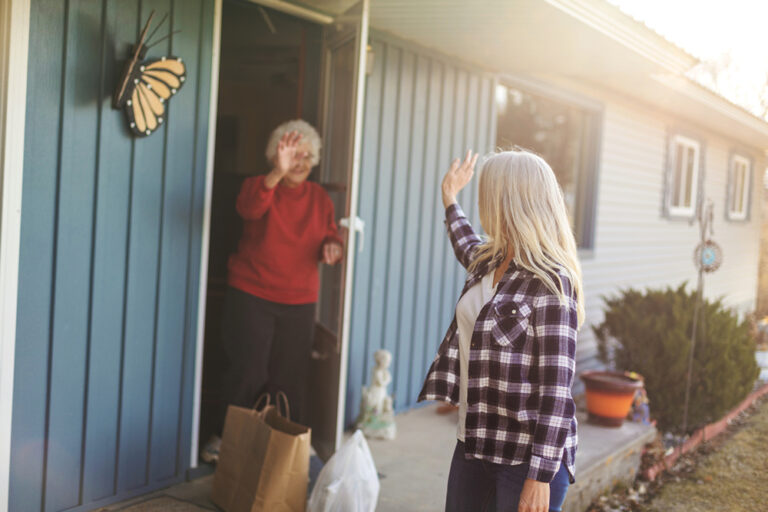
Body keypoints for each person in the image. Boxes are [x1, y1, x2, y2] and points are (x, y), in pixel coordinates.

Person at [418, 149, 584, 512]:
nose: (482, 201)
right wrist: (449, 197)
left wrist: (539, 476)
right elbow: (464, 240)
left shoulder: (551, 281)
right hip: (473, 442)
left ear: (509, 200)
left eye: (487, 192)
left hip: (525, 458)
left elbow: (557, 390)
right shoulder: (490, 259)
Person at [203, 119, 344, 462]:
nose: (302, 162)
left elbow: (329, 233)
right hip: (252, 294)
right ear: (276, 155)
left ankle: (287, 443)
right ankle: (225, 438)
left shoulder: (319, 197)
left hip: (299, 298)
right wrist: (276, 174)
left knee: (290, 376)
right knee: (248, 371)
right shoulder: (258, 186)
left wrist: (332, 246)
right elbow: (249, 208)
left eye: (308, 155)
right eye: (294, 154)